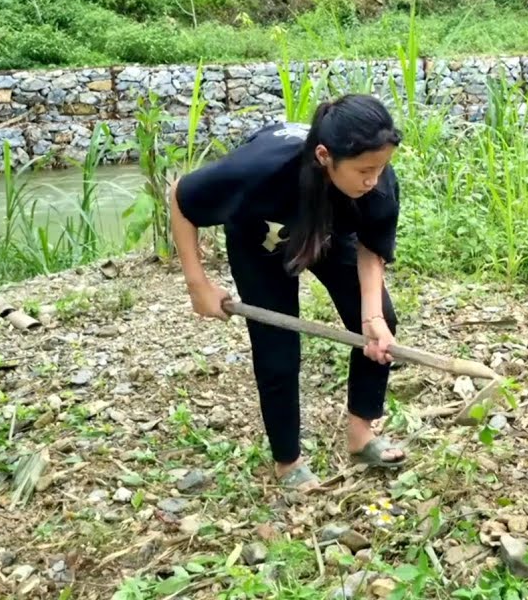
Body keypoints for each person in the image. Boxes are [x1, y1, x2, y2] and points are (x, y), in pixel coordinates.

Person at [168, 93, 407, 489]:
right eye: (365, 169)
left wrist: (372, 318)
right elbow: (181, 197)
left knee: (380, 319)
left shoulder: (376, 183)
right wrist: (199, 285)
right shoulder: (259, 170)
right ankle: (288, 461)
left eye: (381, 168)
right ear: (324, 155)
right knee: (277, 348)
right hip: (261, 236)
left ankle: (361, 434)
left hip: (327, 231)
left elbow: (370, 249)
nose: (374, 179)